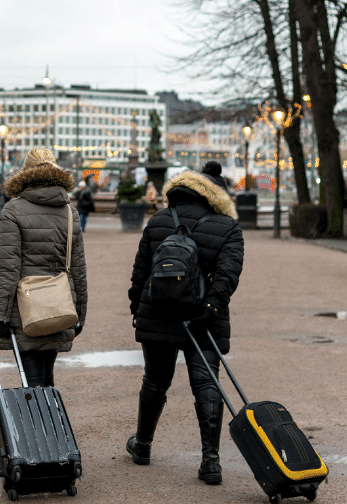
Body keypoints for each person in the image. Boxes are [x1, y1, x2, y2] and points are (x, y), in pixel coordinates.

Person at [125, 160, 243, 485]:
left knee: (155, 380)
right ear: (218, 196)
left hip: (158, 312)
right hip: (202, 317)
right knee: (206, 384)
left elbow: (140, 271)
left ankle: (143, 446)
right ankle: (211, 462)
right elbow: (227, 276)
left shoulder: (159, 220)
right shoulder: (228, 227)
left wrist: (137, 307)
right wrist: (212, 308)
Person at [0, 148, 88, 387]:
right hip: (58, 302)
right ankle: (52, 412)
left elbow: (8, 269)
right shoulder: (70, 212)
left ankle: (39, 413)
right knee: (47, 377)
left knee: (32, 382)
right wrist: (80, 314)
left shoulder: (13, 210)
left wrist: (0, 315)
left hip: (25, 306)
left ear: (25, 172)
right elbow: (78, 269)